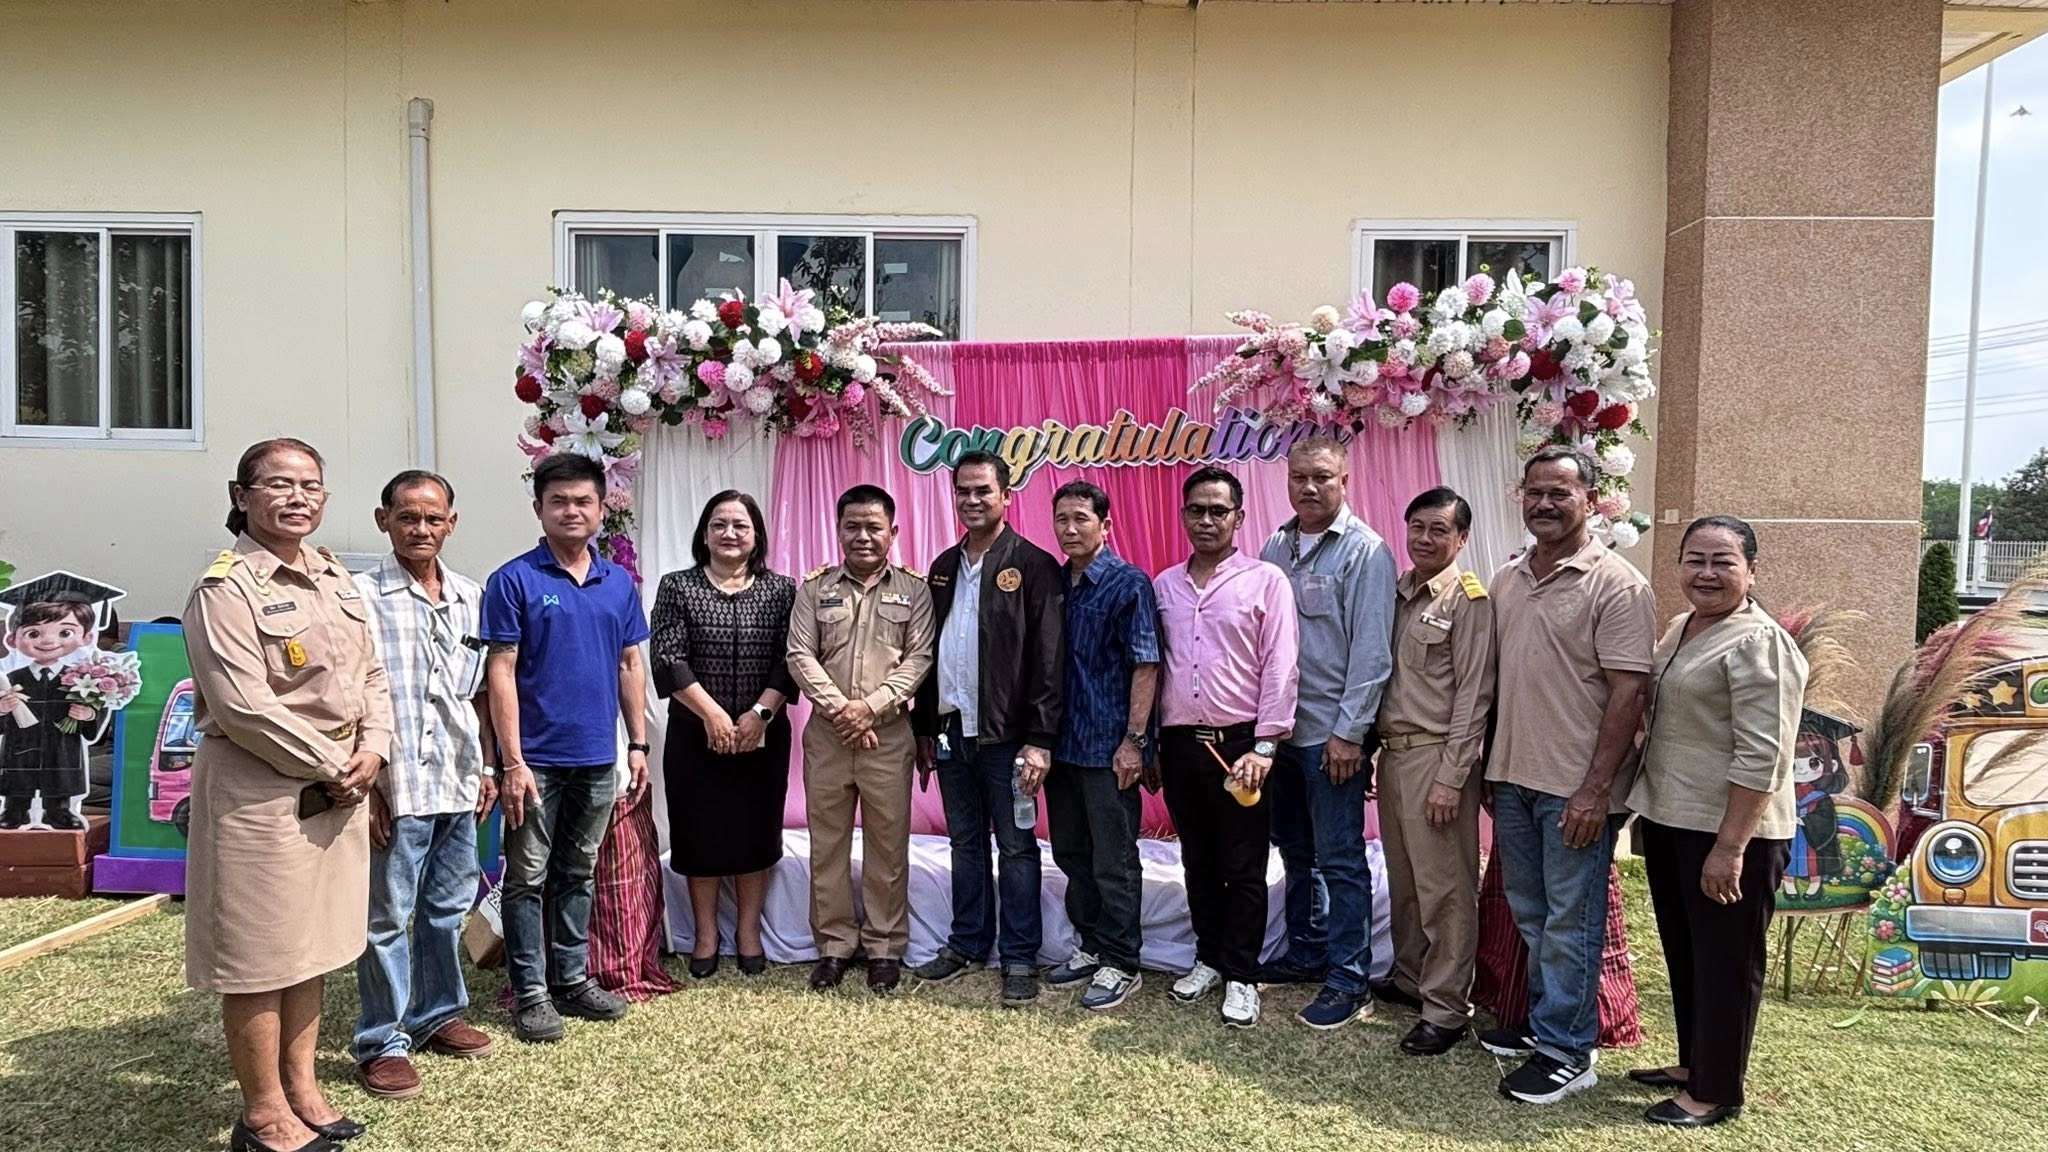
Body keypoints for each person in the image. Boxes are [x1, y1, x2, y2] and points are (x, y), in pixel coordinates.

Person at [181, 438, 393, 1152]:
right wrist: (338, 763)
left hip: (338, 788)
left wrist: (374, 750)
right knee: (260, 955)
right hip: (261, 796)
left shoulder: (334, 577)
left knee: (314, 945)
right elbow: (243, 707)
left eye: (310, 484)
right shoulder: (225, 589)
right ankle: (264, 1112)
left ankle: (302, 1089)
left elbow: (372, 676)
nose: (297, 497)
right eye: (278, 484)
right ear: (241, 497)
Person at [1483, 446, 1655, 1105]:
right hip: (1513, 778)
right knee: (1531, 911)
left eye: (1560, 493)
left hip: (1575, 790)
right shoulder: (1508, 579)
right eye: (1535, 492)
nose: (1545, 504)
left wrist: (1595, 789)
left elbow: (1629, 692)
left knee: (1570, 921)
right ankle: (1547, 1021)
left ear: (1590, 499)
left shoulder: (1617, 584)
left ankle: (1567, 1051)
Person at [1627, 516, 1806, 1129]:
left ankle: (1716, 1089)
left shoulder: (1760, 643)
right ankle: (1694, 1062)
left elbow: (1764, 754)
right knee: (1688, 952)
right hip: (1675, 817)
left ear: (1751, 570)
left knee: (1726, 961)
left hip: (1732, 831)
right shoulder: (1685, 627)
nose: (1706, 573)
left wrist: (1730, 848)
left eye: (1723, 561)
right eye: (1695, 559)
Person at [481, 452, 651, 1044]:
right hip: (534, 762)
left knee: (579, 871)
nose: (571, 511)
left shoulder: (618, 582)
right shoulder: (513, 581)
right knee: (526, 877)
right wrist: (511, 761)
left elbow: (630, 664)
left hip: (597, 757)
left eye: (583, 501)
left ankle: (573, 980)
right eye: (559, 501)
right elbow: (500, 673)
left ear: (602, 509)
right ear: (539, 509)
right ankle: (531, 993)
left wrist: (637, 744)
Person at [351, 471, 499, 1098]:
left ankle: (437, 1014)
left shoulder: (472, 597)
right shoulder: (359, 597)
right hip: (396, 782)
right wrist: (368, 786)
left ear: (451, 524)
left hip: (458, 779)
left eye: (433, 518)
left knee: (446, 908)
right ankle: (381, 1040)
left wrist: (488, 767)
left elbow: (482, 693)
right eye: (407, 517)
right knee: (386, 916)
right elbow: (347, 697)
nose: (421, 529)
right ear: (383, 519)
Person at [911, 450, 1065, 1006]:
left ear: (1006, 496)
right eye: (964, 491)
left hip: (1010, 739)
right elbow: (927, 654)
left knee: (1017, 846)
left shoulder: (1034, 564)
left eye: (983, 490)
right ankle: (968, 943)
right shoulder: (942, 566)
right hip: (952, 733)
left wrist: (1040, 740)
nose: (972, 500)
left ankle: (1019, 955)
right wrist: (924, 729)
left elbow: (1050, 661)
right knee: (965, 842)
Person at [1255, 435, 1397, 1030]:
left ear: (1344, 481)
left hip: (1329, 736)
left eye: (1322, 477)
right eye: (1299, 477)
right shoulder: (1275, 545)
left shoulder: (1366, 551)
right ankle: (1307, 952)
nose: (1309, 488)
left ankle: (1349, 977)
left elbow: (1372, 653)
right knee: (1296, 851)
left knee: (1340, 858)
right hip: (1282, 733)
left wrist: (1350, 735)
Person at [1154, 467, 1299, 1028]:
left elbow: (1281, 665)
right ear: (1183, 515)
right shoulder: (1164, 585)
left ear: (1239, 517)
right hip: (1180, 744)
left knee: (1243, 864)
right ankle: (1209, 958)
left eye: (1219, 511)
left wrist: (1265, 745)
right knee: (1197, 859)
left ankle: (1242, 973)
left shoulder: (1266, 581)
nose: (1207, 520)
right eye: (1197, 510)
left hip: (1241, 744)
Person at [787, 485, 936, 994]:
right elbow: (799, 655)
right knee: (826, 844)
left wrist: (869, 708)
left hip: (888, 736)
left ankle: (884, 947)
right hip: (828, 737)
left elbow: (920, 658)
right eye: (852, 526)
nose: (863, 536)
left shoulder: (915, 591)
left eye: (874, 527)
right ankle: (833, 945)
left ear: (893, 532)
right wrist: (843, 710)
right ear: (838, 530)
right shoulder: (815, 589)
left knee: (887, 846)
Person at [649, 490, 796, 978]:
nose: (729, 533)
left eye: (740, 525)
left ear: (756, 536)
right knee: (700, 835)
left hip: (763, 735)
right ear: (704, 534)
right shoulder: (678, 587)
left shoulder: (781, 590)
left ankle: (750, 931)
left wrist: (760, 715)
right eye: (719, 524)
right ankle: (706, 934)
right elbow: (668, 657)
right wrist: (712, 715)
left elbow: (790, 659)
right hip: (695, 736)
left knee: (756, 831)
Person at [1376, 487, 1495, 1056]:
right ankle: (1410, 978)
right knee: (1404, 880)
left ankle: (1446, 1007)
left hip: (1436, 758)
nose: (1425, 539)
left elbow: (1474, 696)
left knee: (1444, 887)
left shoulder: (1467, 600)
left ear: (1461, 538)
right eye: (1417, 527)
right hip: (1394, 755)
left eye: (1439, 530)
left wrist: (1452, 776)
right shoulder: (1399, 592)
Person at [1041, 480, 1158, 1011]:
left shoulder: (1128, 584)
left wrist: (1134, 742)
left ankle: (1122, 960)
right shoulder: (1054, 582)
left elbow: (1146, 664)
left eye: (1081, 519)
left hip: (1109, 748)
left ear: (1105, 525)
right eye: (1061, 519)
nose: (1070, 529)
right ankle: (1091, 944)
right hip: (1061, 746)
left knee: (1114, 858)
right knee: (1071, 852)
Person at [0, 573, 123, 830]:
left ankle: (59, 812)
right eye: (33, 633)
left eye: (65, 632)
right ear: (13, 639)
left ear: (87, 636)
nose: (48, 641)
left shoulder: (81, 679)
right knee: (18, 777)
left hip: (62, 744)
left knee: (61, 776)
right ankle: (15, 811)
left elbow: (96, 720)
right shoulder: (10, 678)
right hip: (20, 744)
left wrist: (89, 715)